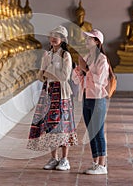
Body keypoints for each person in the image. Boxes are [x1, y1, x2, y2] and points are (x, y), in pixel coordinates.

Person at [27, 25, 78, 171]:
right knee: (49, 126)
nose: (54, 38)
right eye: (52, 35)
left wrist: (47, 72)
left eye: (58, 36)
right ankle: (53, 158)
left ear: (62, 39)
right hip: (49, 93)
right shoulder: (47, 54)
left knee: (63, 125)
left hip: (61, 94)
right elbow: (40, 76)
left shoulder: (65, 55)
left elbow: (63, 76)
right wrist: (45, 70)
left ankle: (64, 159)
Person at [73, 29, 109, 175]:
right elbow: (76, 79)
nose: (87, 41)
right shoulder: (87, 57)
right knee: (91, 131)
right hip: (86, 97)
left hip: (97, 98)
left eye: (90, 38)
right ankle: (95, 163)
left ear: (97, 42)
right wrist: (79, 71)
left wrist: (86, 70)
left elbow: (100, 80)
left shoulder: (102, 59)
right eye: (87, 38)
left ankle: (102, 164)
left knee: (98, 131)